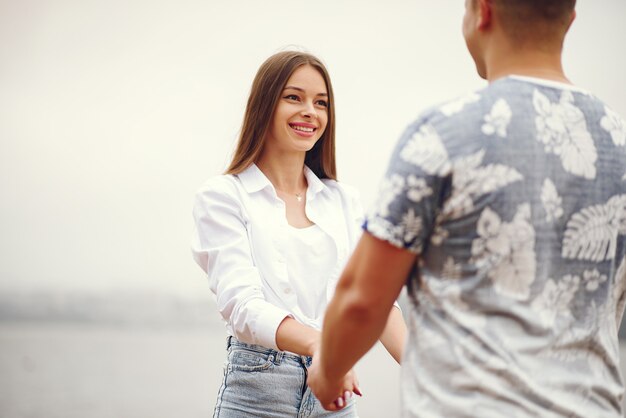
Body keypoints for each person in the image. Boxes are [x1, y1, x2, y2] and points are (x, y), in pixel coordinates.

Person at [308, 0, 626, 416]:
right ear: (570, 19)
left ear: (483, 11)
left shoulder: (444, 135)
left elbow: (363, 299)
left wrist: (327, 372)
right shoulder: (617, 141)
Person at [191, 50, 406, 417]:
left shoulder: (343, 201)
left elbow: (374, 298)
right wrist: (322, 347)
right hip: (257, 392)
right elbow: (242, 306)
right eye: (294, 97)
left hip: (335, 396)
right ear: (264, 106)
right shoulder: (223, 196)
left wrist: (429, 371)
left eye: (321, 102)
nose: (310, 111)